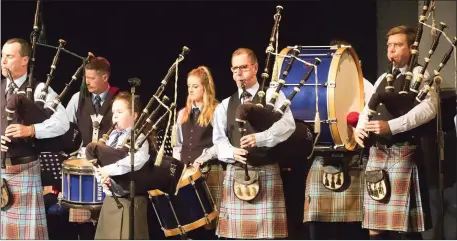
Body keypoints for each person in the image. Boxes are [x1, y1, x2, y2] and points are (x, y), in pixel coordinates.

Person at [355, 25, 436, 239]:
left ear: (412, 49)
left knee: (405, 225)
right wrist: (359, 129)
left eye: (398, 45)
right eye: (389, 45)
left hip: (402, 152)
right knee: (375, 227)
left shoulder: (421, 74)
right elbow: (368, 109)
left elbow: (428, 109)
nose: (391, 50)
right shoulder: (383, 78)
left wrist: (392, 126)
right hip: (377, 153)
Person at [213, 48, 294, 239]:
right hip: (237, 173)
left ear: (256, 67)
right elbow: (219, 140)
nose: (239, 73)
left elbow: (288, 125)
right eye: (235, 69)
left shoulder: (273, 95)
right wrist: (232, 152)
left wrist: (261, 138)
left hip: (266, 170)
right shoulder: (225, 105)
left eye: (244, 67)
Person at [0, 37, 70, 239]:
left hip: (25, 170)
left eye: (9, 56)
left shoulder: (39, 89)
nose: (3, 61)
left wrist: (31, 130)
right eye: (2, 56)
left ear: (24, 60)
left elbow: (62, 122)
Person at [303, 40, 372, 240]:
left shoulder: (365, 87)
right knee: (318, 224)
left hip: (352, 160)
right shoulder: (317, 84)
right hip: (322, 158)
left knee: (353, 227)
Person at [65, 56, 119, 239]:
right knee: (82, 221)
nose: (87, 82)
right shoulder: (77, 99)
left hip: (110, 170)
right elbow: (65, 128)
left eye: (92, 78)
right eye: (85, 78)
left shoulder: (119, 99)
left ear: (105, 77)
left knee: (108, 220)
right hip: (83, 170)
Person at [90, 91, 150, 240]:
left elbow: (135, 161)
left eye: (120, 112)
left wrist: (109, 171)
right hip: (111, 200)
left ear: (134, 116)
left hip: (130, 202)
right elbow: (98, 163)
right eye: (113, 112)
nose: (115, 116)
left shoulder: (140, 138)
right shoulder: (110, 139)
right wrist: (102, 178)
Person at [173, 65, 224, 239]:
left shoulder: (217, 111)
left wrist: (203, 157)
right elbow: (178, 145)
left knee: (209, 225)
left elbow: (221, 144)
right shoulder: (182, 114)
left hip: (209, 173)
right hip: (186, 175)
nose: (191, 90)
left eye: (195, 86)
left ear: (205, 87)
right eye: (189, 86)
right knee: (189, 223)